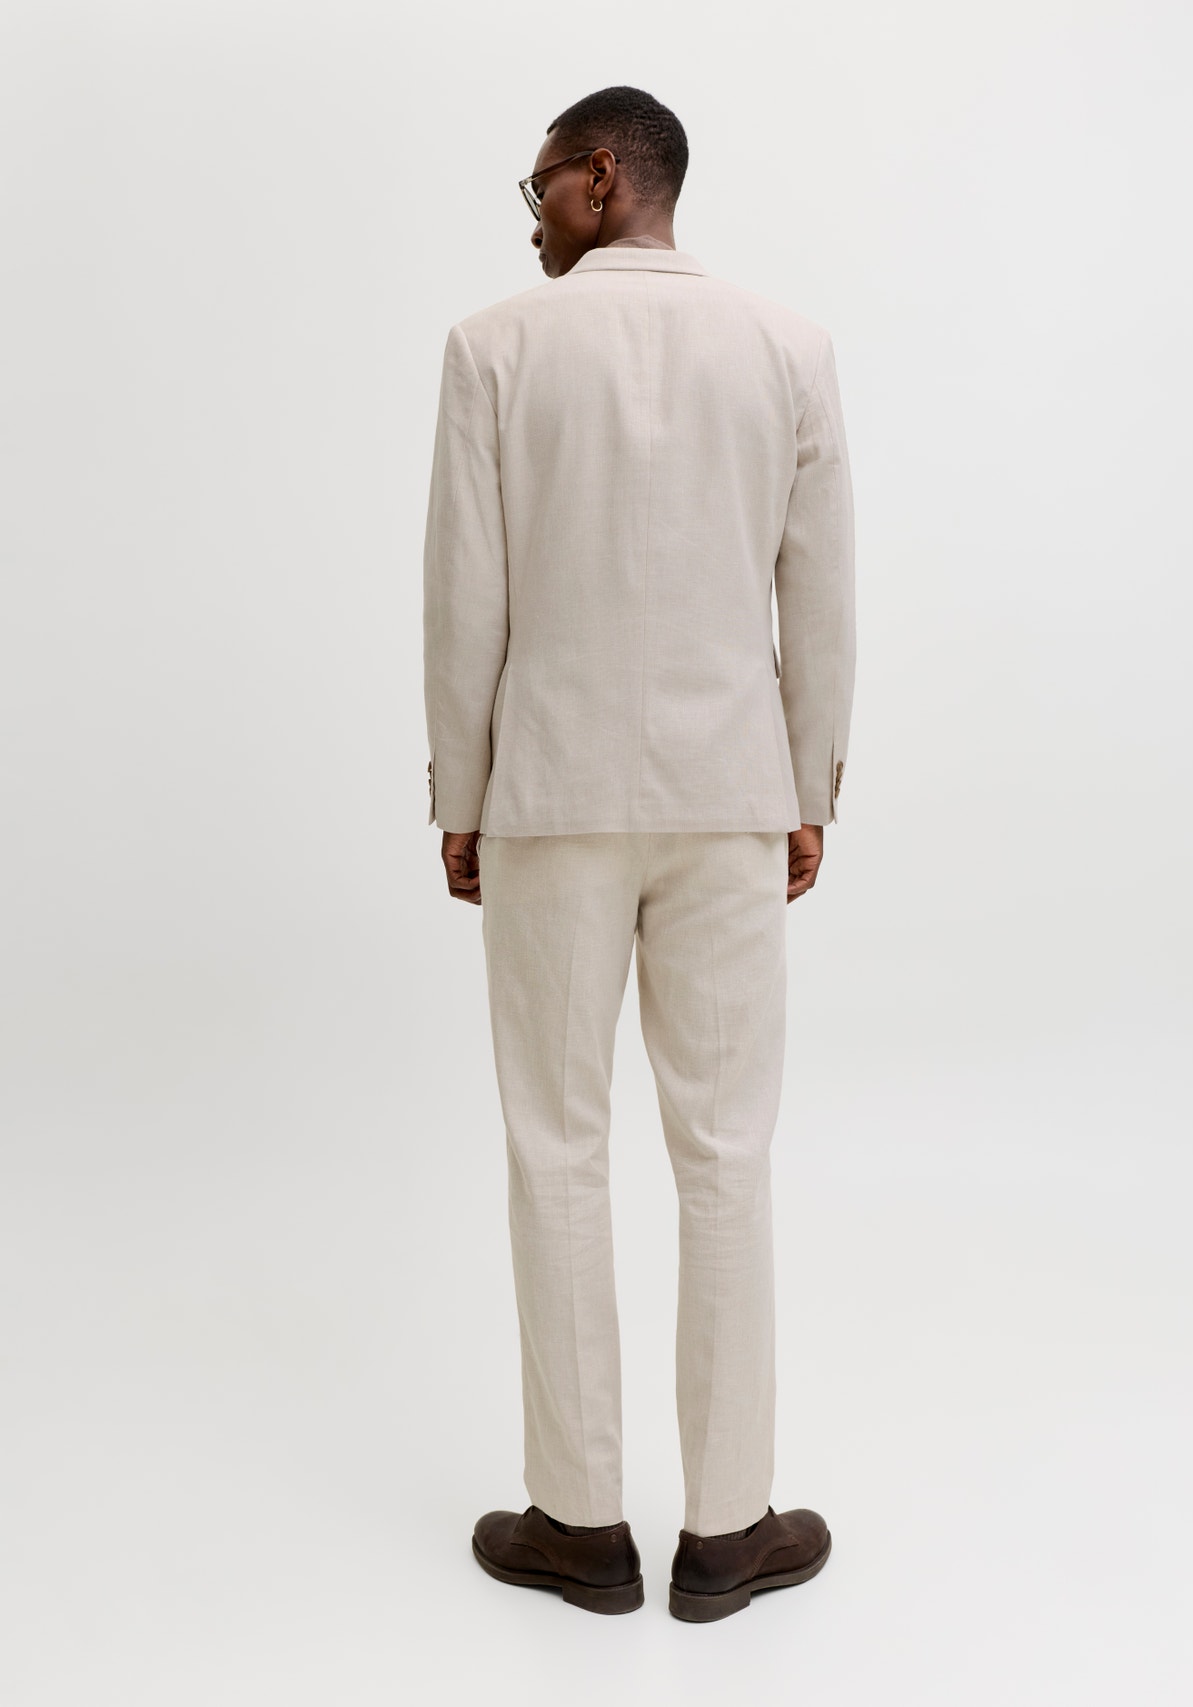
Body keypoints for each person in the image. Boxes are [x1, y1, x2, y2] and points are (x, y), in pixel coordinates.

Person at [422, 85, 856, 1621]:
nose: (533, 213)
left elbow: (467, 594)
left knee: (557, 1149)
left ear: (602, 176)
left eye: (540, 184)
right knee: (725, 1154)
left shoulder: (493, 347)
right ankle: (730, 1533)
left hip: (549, 798)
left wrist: (462, 791)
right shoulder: (787, 346)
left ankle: (578, 1523)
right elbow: (821, 589)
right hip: (729, 796)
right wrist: (807, 786)